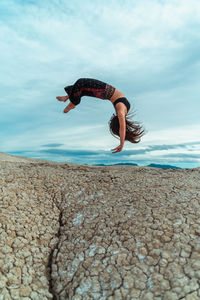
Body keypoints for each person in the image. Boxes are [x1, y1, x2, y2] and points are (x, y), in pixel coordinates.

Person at [56, 78, 145, 153]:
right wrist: (121, 144)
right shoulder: (121, 112)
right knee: (80, 85)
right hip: (104, 90)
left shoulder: (123, 110)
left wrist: (122, 142)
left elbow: (122, 126)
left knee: (81, 87)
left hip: (104, 91)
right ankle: (71, 101)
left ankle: (71, 101)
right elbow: (122, 127)